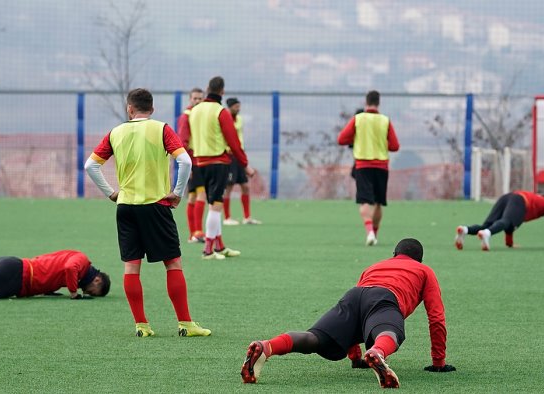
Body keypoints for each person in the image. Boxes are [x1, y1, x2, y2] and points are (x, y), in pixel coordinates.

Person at [240, 238, 454, 389]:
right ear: (420, 260)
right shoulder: (424, 271)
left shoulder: (374, 267)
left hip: (355, 295)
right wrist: (438, 363)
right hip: (386, 298)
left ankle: (267, 346)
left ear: (394, 255)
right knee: (390, 333)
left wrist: (356, 358)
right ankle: (378, 352)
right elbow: (436, 318)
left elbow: (354, 321)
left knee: (315, 337)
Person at [84, 88, 211, 338]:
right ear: (151, 109)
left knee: (132, 267)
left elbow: (91, 165)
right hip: (155, 206)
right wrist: (177, 192)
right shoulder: (160, 129)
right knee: (172, 262)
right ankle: (185, 324)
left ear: (129, 109)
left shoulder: (116, 132)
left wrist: (111, 193)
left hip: (126, 207)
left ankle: (142, 326)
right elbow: (185, 161)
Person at [187, 76, 256, 259]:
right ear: (222, 92)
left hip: (199, 162)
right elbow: (234, 142)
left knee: (211, 204)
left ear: (207, 88)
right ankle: (208, 250)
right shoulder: (221, 112)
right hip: (218, 163)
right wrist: (245, 165)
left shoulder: (194, 110)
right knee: (216, 206)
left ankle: (219, 246)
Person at [338, 90, 399, 246]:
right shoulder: (385, 121)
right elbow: (394, 146)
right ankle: (375, 234)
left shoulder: (358, 119)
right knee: (378, 202)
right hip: (382, 166)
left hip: (363, 165)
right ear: (379, 103)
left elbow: (341, 139)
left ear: (366, 102)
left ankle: (370, 232)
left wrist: (357, 138)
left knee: (365, 201)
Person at [454, 190, 544, 251]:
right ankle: (487, 234)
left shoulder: (533, 198)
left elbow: (511, 224)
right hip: (519, 200)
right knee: (506, 221)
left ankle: (464, 230)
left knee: (488, 224)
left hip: (508, 196)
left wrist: (509, 244)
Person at [222, 97, 261, 226]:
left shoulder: (239, 120)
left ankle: (247, 217)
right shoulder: (224, 118)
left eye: (239, 106)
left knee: (245, 186)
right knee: (229, 186)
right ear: (230, 107)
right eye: (236, 107)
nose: (238, 109)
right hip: (229, 156)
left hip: (239, 155)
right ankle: (227, 218)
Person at [177, 87, 207, 243]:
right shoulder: (186, 116)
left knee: (194, 195)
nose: (197, 101)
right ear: (190, 99)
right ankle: (198, 232)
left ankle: (193, 234)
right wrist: (187, 165)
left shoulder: (198, 116)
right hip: (193, 161)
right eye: (195, 98)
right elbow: (182, 142)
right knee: (201, 195)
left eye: (200, 98)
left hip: (200, 159)